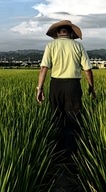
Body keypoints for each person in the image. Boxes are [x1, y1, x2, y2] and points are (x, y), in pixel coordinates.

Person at [36, 20, 96, 162]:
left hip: (55, 85)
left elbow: (44, 68)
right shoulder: (78, 46)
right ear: (70, 33)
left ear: (58, 33)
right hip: (73, 85)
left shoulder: (51, 45)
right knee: (73, 118)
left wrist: (40, 88)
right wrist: (91, 87)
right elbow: (87, 69)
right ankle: (72, 156)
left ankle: (56, 153)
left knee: (56, 117)